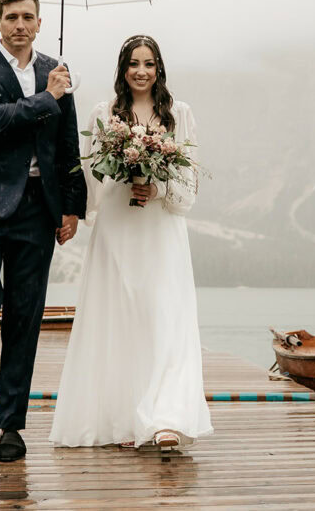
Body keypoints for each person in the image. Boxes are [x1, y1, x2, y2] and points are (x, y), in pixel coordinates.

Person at [49, 34, 213, 449]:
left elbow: (189, 181)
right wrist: (114, 186)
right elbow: (89, 174)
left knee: (164, 318)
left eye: (149, 63)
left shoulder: (179, 114)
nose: (141, 71)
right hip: (119, 228)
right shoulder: (104, 113)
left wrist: (158, 190)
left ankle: (165, 419)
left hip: (161, 230)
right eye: (133, 63)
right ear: (122, 70)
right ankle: (124, 418)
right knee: (122, 318)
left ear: (159, 69)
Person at [0, 0, 86, 462]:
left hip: (36, 208)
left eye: (28, 17)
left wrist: (73, 206)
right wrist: (47, 96)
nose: (20, 25)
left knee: (26, 317)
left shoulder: (57, 71)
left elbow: (67, 145)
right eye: (11, 17)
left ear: (40, 23)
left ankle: (11, 424)